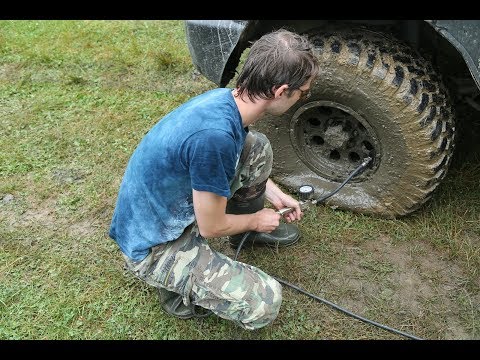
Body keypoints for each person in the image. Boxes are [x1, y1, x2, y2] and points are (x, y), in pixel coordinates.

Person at [109, 29, 320, 330]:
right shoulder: (215, 137)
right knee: (264, 301)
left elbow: (231, 158)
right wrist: (257, 219)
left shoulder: (228, 102)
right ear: (280, 90)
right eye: (304, 93)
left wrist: (272, 194)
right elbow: (211, 227)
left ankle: (242, 238)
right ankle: (174, 284)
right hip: (153, 244)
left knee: (257, 147)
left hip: (169, 208)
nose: (303, 98)